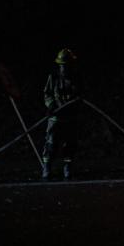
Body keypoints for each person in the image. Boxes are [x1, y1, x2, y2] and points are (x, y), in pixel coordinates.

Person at [41, 48, 82, 180]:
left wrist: (77, 102)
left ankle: (67, 167)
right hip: (56, 117)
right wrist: (51, 104)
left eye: (67, 65)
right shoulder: (53, 78)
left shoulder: (76, 78)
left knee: (69, 143)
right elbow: (47, 93)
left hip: (70, 117)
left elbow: (81, 95)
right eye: (62, 66)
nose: (64, 68)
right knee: (51, 142)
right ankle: (47, 167)